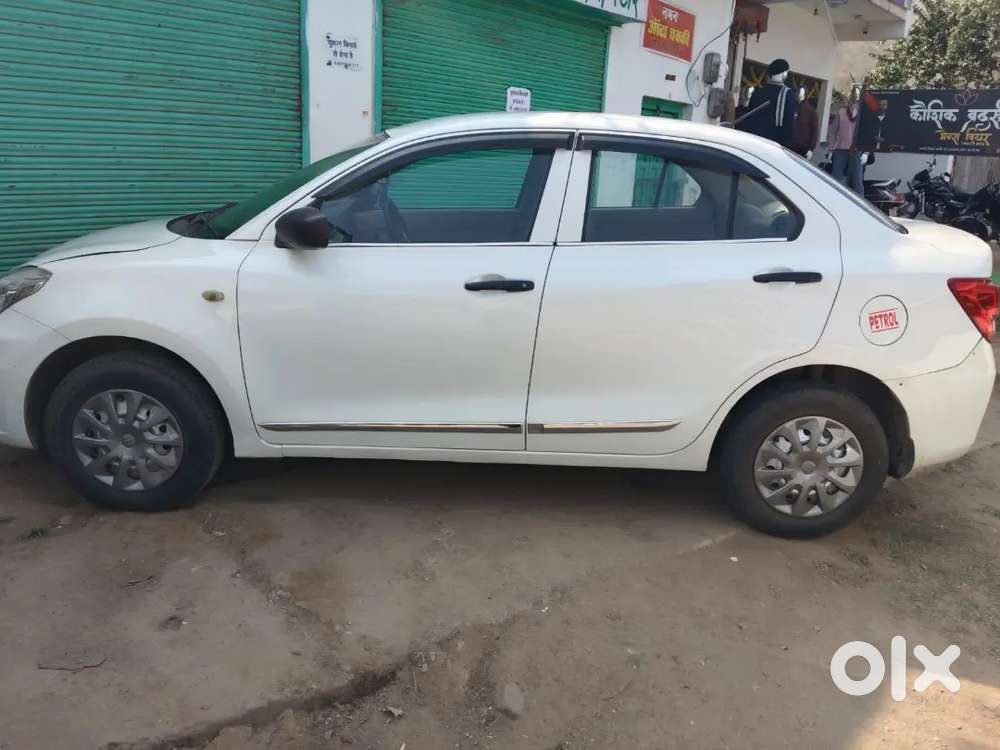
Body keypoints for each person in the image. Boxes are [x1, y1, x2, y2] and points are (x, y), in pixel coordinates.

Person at [736, 59, 798, 147]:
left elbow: (750, 118)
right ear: (784, 73)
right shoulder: (788, 94)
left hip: (754, 141)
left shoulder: (758, 92)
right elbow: (789, 124)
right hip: (775, 144)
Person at [826, 89, 863, 195]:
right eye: (852, 96)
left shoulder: (862, 114)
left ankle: (861, 208)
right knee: (836, 178)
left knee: (857, 181)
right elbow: (832, 131)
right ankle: (832, 200)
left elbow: (867, 133)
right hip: (840, 149)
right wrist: (831, 148)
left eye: (856, 97)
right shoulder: (841, 113)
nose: (854, 99)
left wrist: (866, 152)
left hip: (857, 151)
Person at [791, 87, 819, 159]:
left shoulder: (812, 112)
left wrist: (811, 149)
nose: (800, 95)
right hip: (789, 146)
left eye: (802, 93)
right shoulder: (791, 108)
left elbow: (814, 131)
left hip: (803, 149)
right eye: (799, 93)